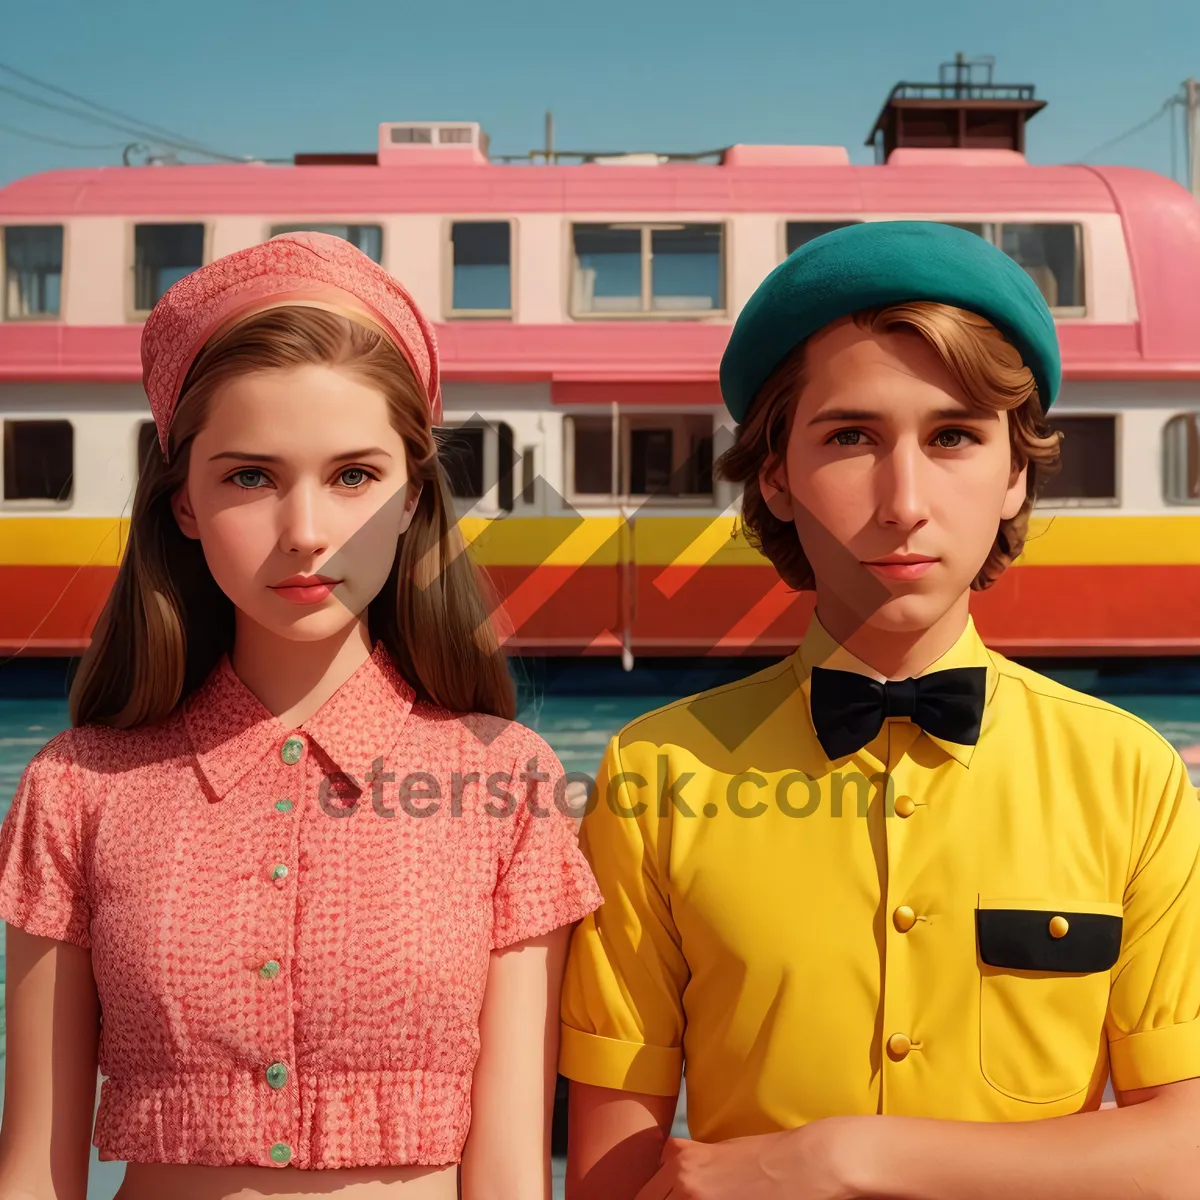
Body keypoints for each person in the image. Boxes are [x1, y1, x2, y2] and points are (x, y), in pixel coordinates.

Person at [558, 221, 1200, 1199]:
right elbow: (612, 1172)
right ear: (775, 474)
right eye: (851, 437)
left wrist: (840, 1158)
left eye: (954, 436)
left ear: (1016, 472)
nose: (903, 501)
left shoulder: (1133, 775)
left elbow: (1185, 1148)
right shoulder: (654, 775)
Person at [0, 231, 603, 1200]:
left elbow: (509, 1174)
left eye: (355, 475)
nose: (308, 532)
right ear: (183, 502)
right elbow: (32, 1171)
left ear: (413, 499)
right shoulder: (74, 789)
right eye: (250, 476)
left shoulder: (507, 780)